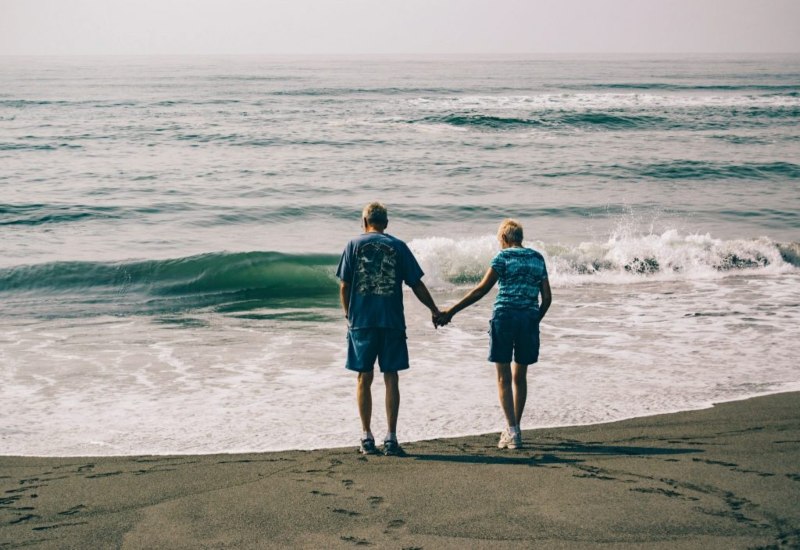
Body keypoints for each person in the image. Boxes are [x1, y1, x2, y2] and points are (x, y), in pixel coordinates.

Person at [436, 219, 551, 450]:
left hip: (504, 318)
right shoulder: (538, 258)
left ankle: (512, 430)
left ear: (505, 239)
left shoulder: (502, 258)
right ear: (521, 237)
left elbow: (481, 290)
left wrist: (451, 311)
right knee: (520, 376)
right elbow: (547, 299)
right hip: (528, 319)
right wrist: (532, 319)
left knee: (503, 377)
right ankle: (515, 428)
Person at [337, 202, 440, 456]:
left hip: (362, 322)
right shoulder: (398, 246)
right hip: (392, 320)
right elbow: (416, 284)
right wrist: (434, 310)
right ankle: (391, 438)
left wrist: (348, 314)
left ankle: (366, 436)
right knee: (391, 377)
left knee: (364, 377)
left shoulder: (353, 245)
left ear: (364, 221)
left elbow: (344, 285)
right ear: (386, 223)